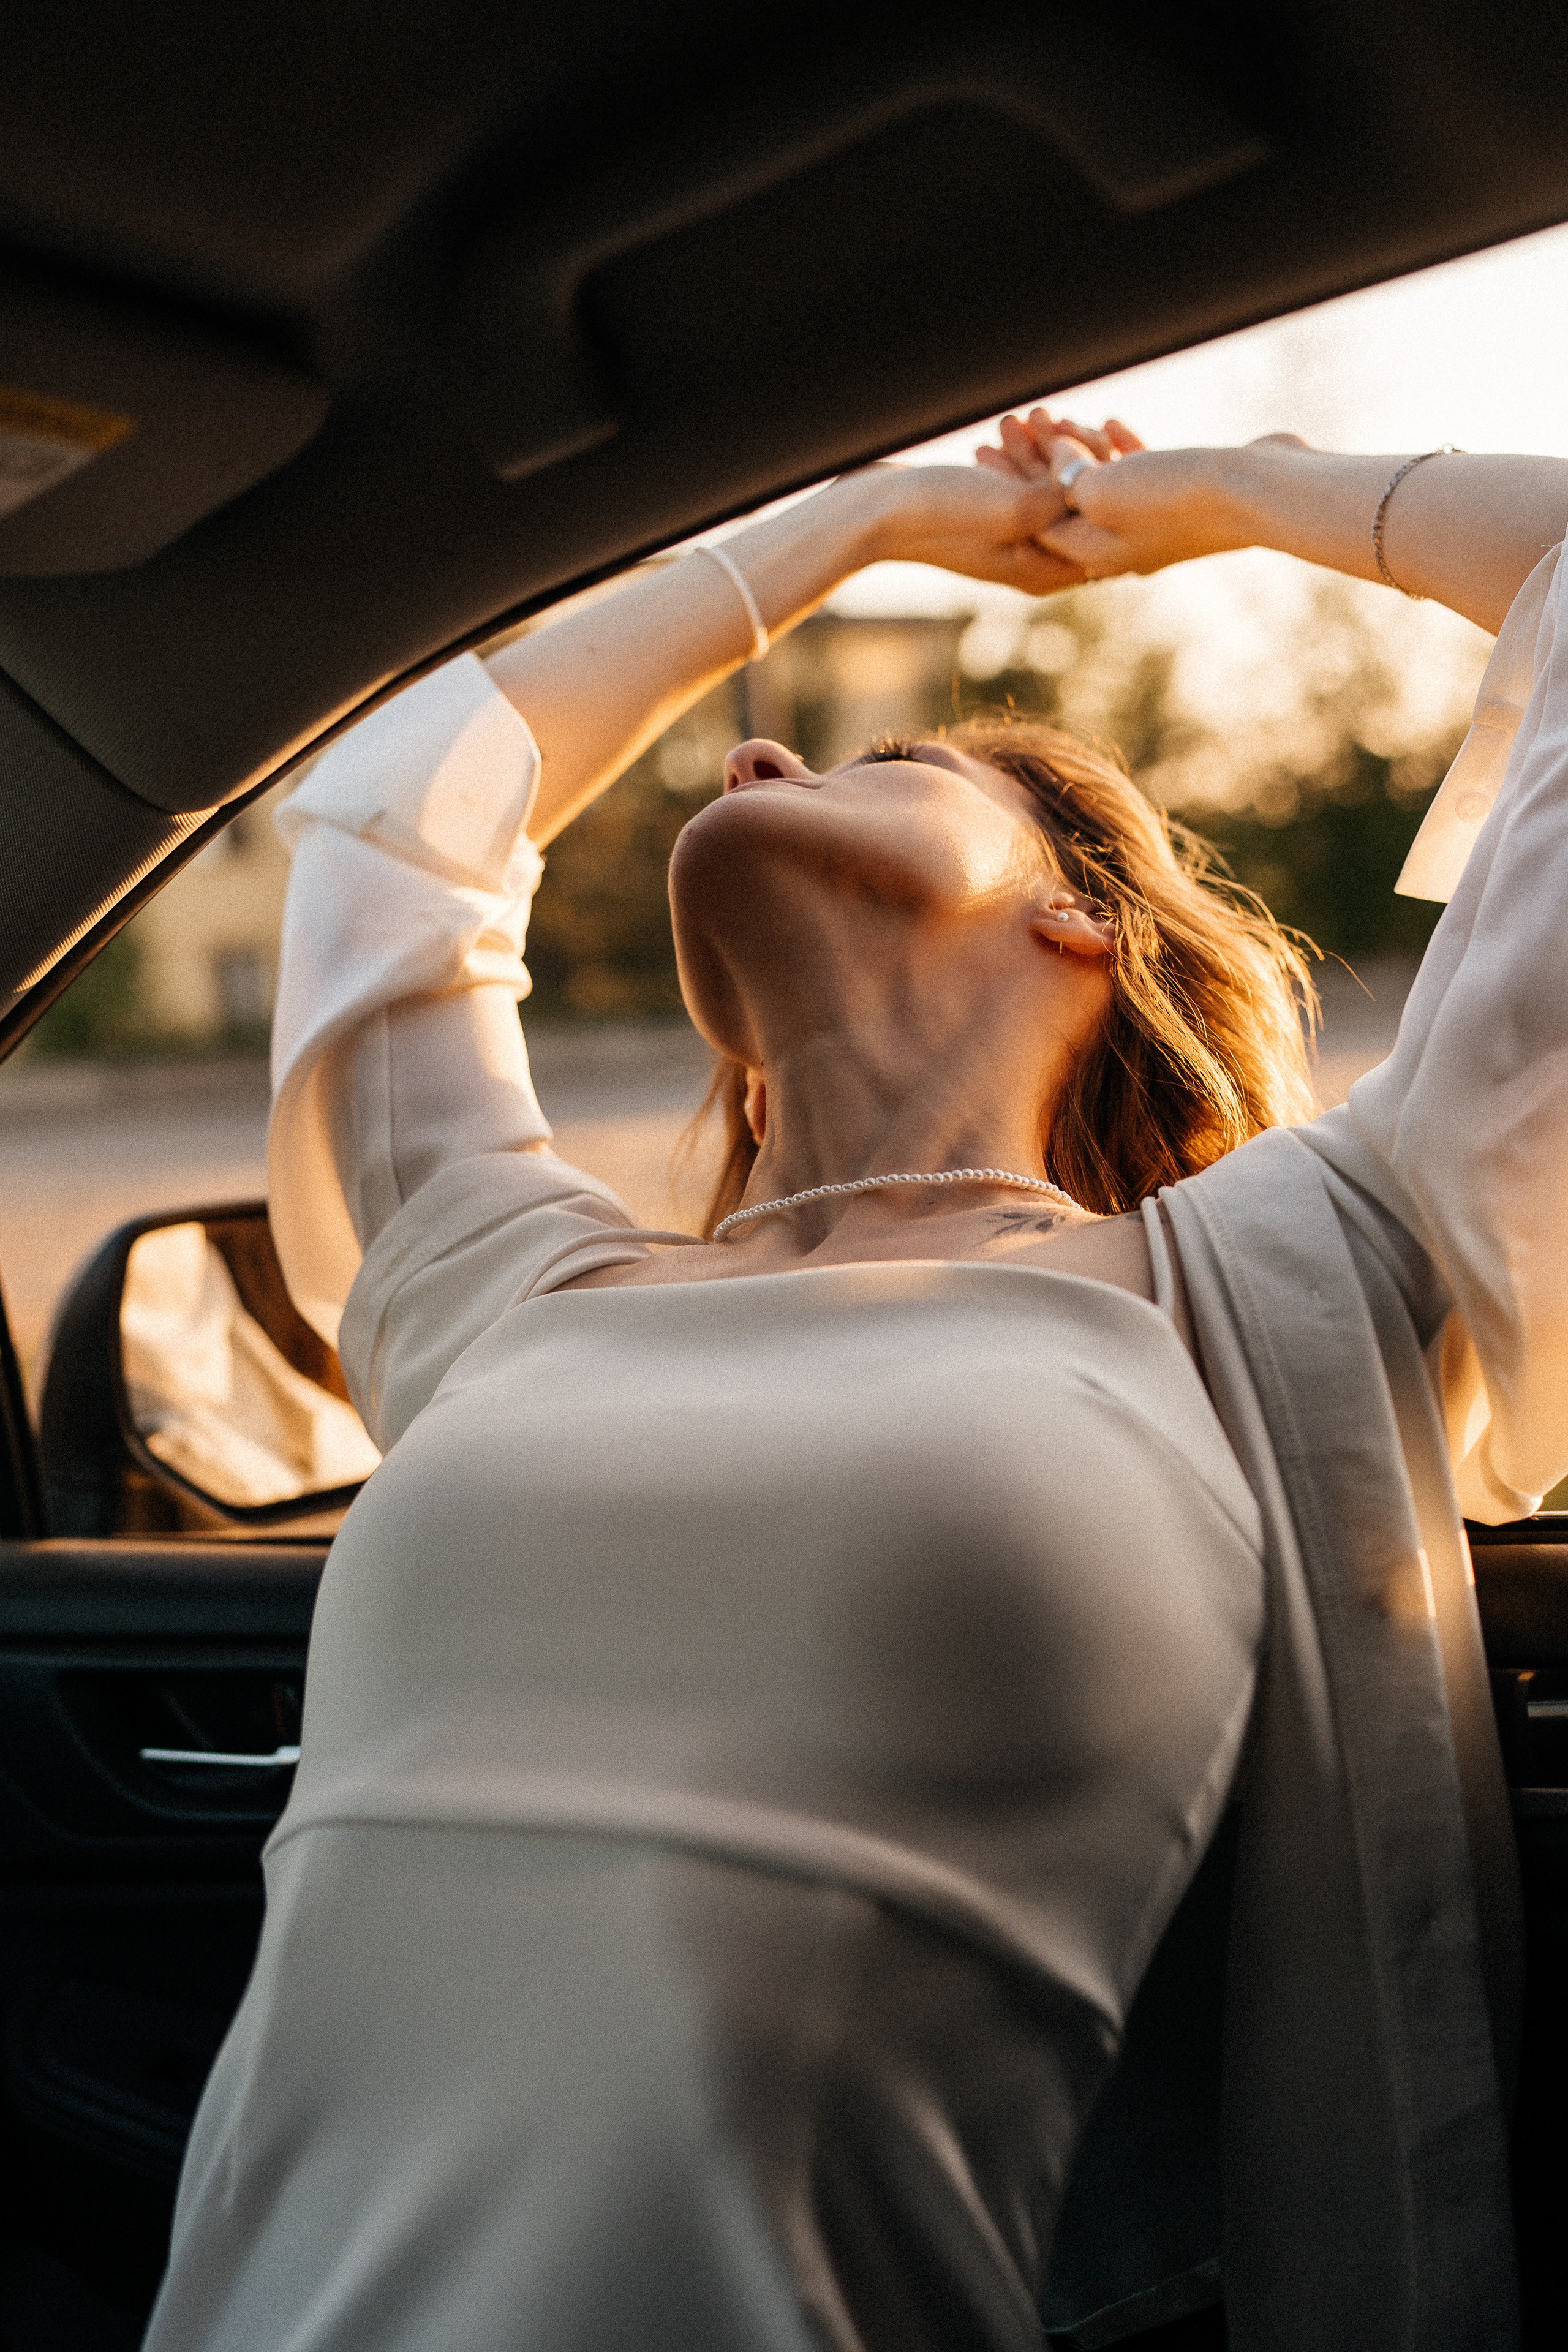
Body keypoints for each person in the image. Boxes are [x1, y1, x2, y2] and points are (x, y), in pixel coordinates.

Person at [142, 429, 1568, 2352]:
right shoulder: (517, 1287)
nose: (751, 754)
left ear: (1087, 923)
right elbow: (396, 819)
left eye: (885, 764)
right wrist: (848, 521)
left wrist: (1233, 492)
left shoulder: (1286, 1282)